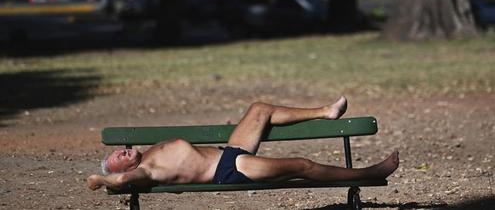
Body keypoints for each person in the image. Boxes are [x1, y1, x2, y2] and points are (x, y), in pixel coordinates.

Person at [87, 96, 399, 191]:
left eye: (118, 150)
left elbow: (122, 171)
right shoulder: (146, 171)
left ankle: (326, 112)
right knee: (303, 166)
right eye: (118, 156)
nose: (122, 151)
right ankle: (369, 173)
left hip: (229, 153)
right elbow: (123, 180)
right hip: (229, 168)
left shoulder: (148, 153)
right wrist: (102, 179)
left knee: (260, 109)